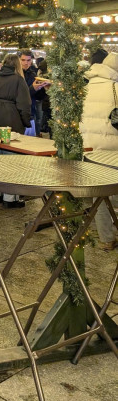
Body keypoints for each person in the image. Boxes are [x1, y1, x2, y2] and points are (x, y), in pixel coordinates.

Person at [80, 52, 118, 251]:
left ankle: (106, 239)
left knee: (100, 194)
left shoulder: (86, 87)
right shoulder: (116, 88)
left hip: (89, 148)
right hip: (113, 150)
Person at [0, 53, 32, 208]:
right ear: (17, 65)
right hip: (12, 119)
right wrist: (26, 122)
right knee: (12, 161)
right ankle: (10, 198)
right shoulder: (19, 80)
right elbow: (24, 104)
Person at [19, 49, 47, 133]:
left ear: (31, 61)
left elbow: (38, 96)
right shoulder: (15, 74)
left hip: (31, 112)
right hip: (18, 113)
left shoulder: (32, 74)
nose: (26, 63)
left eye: (28, 60)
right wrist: (33, 88)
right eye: (23, 60)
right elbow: (19, 95)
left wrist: (43, 88)